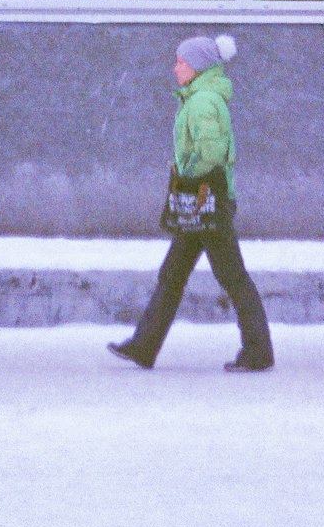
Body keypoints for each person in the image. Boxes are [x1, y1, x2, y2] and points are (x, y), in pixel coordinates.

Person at [108, 33, 274, 373]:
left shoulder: (201, 102)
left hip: (206, 200)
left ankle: (258, 352)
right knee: (174, 275)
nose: (175, 67)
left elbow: (211, 152)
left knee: (230, 277)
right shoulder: (201, 97)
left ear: (197, 67)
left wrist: (186, 177)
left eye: (181, 62)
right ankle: (144, 346)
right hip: (202, 202)